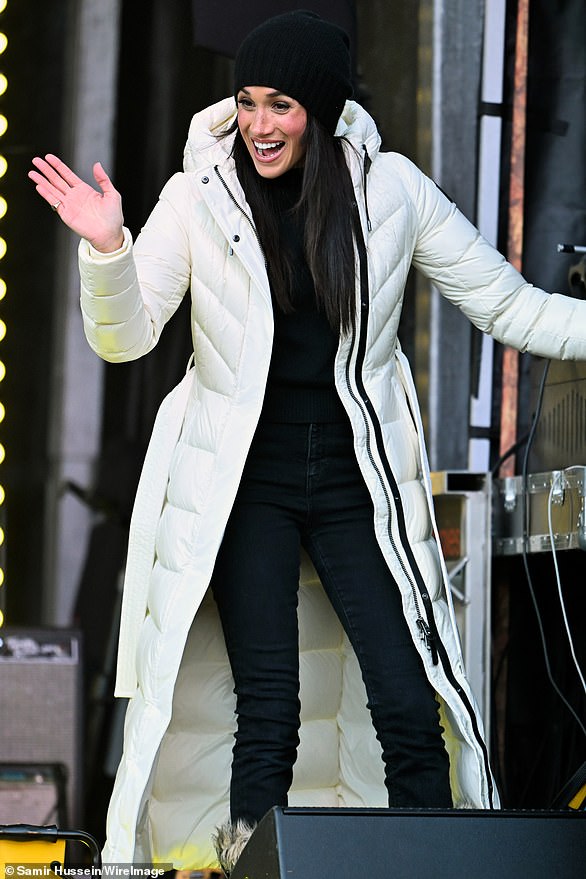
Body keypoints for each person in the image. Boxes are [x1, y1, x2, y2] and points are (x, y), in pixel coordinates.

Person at [29, 10, 586, 876]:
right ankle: (257, 864)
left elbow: (507, 305)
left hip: (355, 482)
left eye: (280, 104)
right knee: (269, 716)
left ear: (318, 111)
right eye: (246, 102)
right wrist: (109, 250)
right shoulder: (198, 193)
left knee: (408, 697)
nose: (258, 123)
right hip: (246, 484)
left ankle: (434, 865)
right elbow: (125, 337)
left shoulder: (391, 191)